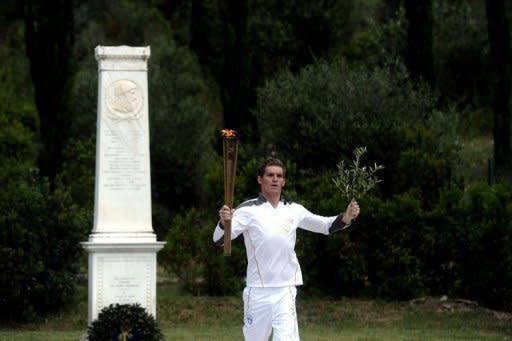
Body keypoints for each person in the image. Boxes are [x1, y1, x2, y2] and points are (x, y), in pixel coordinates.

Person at [212, 157, 360, 341]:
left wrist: (347, 216)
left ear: (284, 181)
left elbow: (325, 225)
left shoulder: (294, 210)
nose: (274, 179)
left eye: (279, 176)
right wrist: (222, 222)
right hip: (258, 290)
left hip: (286, 290)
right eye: (270, 175)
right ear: (260, 179)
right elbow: (219, 240)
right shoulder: (246, 210)